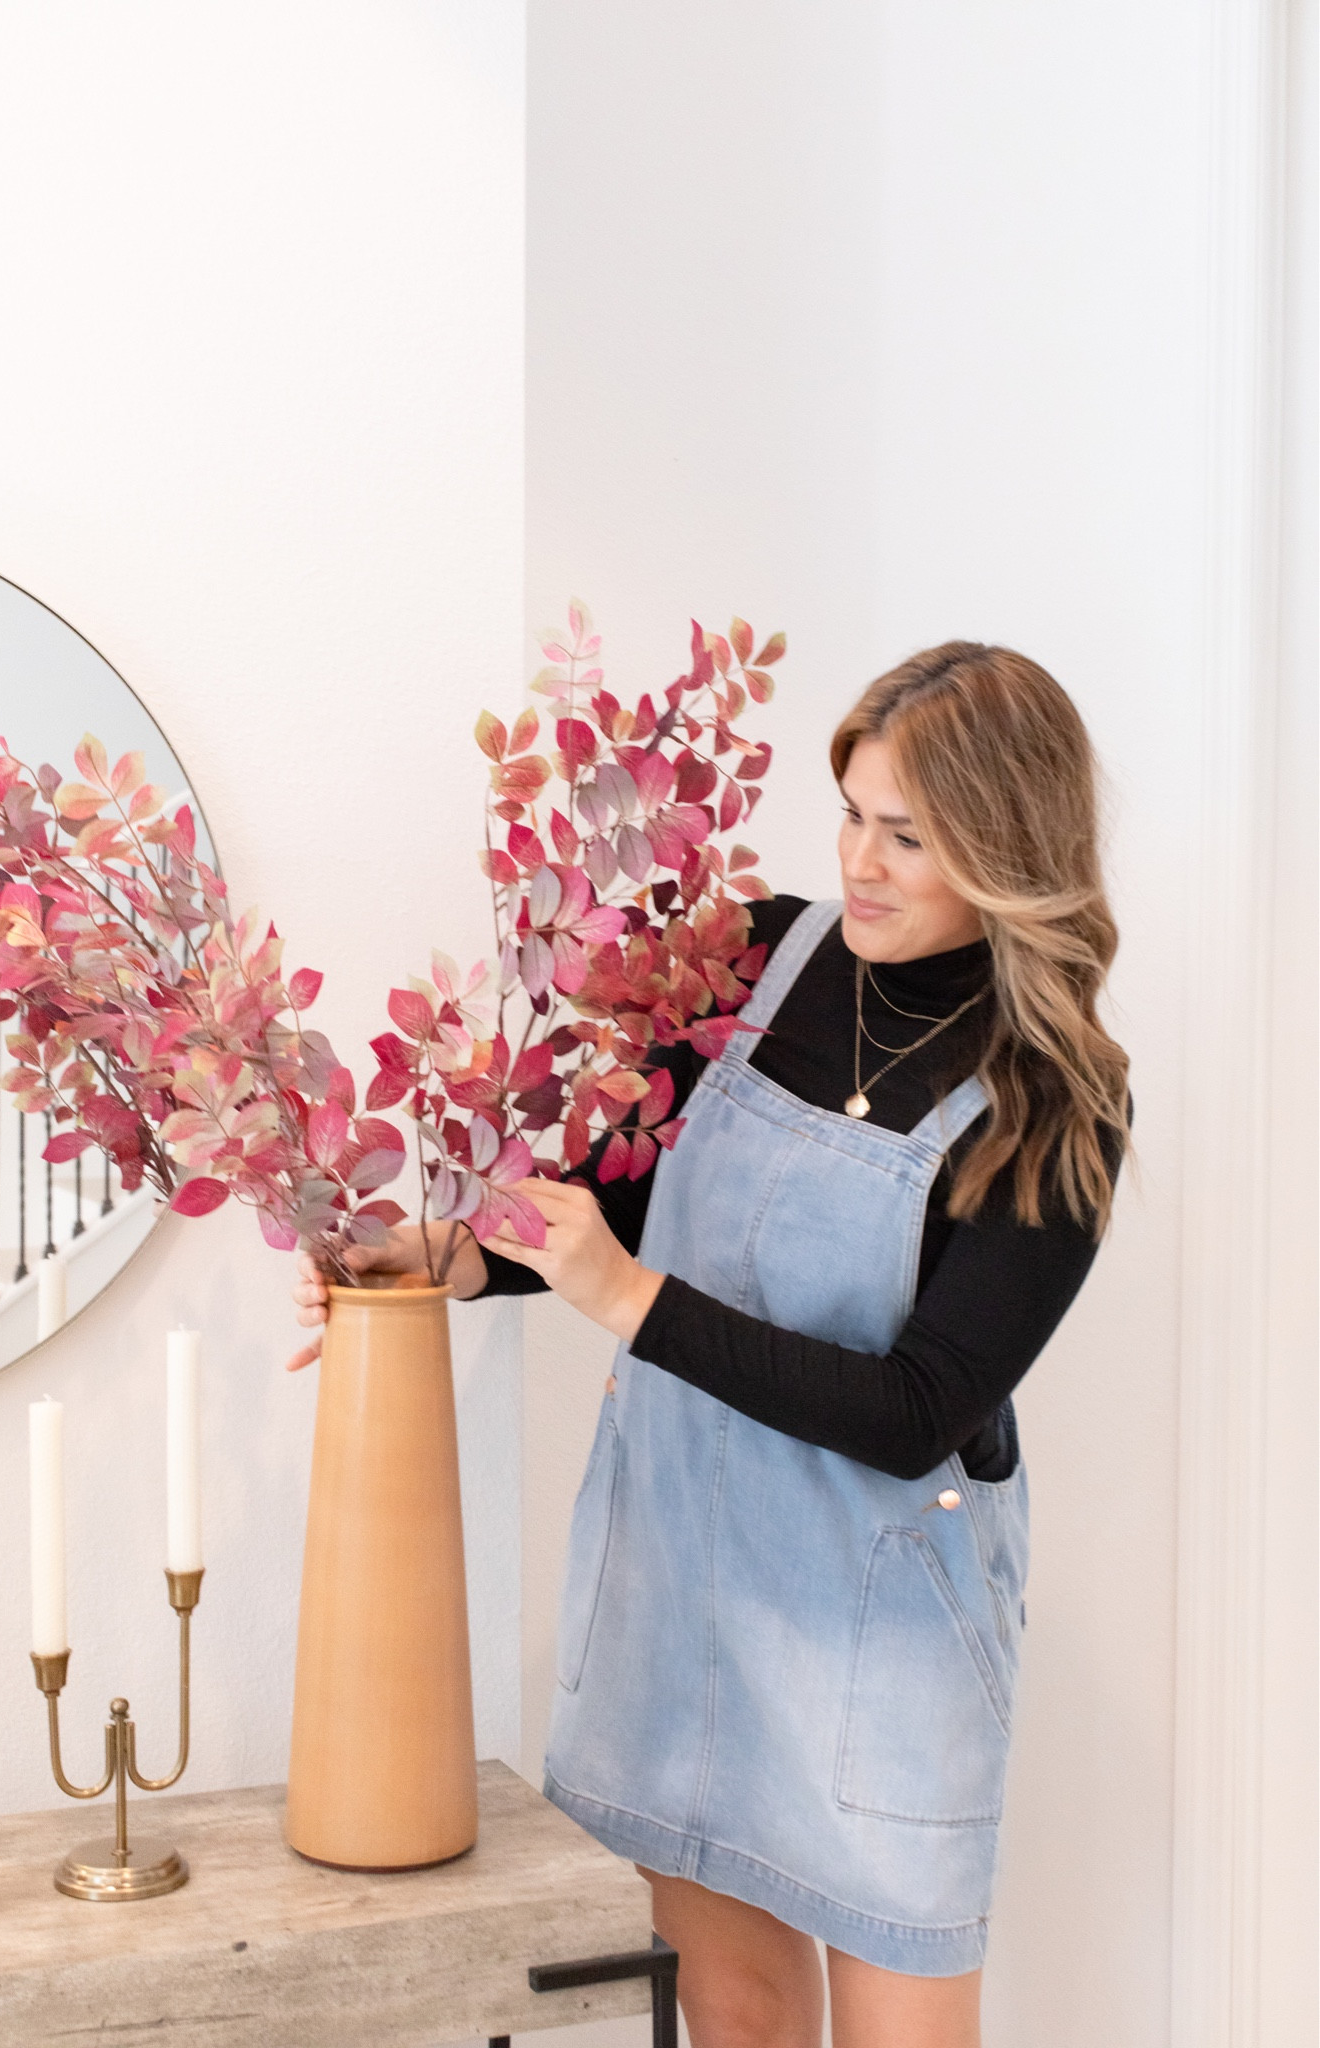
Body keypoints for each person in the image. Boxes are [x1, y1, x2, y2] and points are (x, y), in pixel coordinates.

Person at [290, 642, 1131, 2048]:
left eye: (907, 836)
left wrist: (625, 1303)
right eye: (849, 813)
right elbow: (616, 1196)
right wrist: (437, 1258)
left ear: (1002, 846)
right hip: (681, 1587)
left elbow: (913, 1408)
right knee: (731, 2022)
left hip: (877, 1636)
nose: (860, 863)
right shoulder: (748, 954)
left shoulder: (1053, 1102)